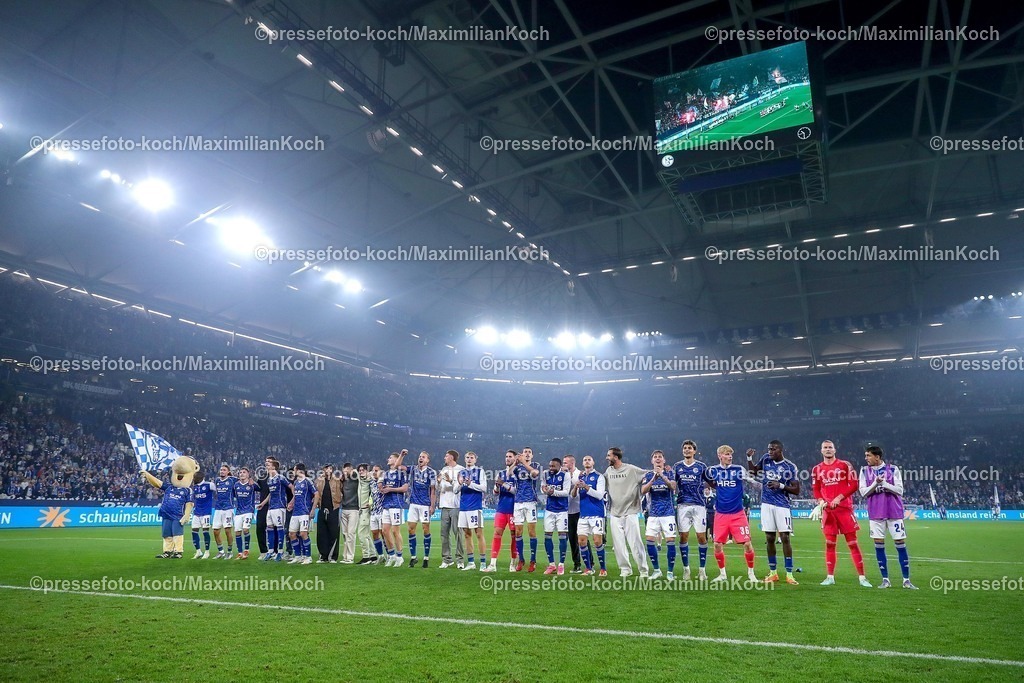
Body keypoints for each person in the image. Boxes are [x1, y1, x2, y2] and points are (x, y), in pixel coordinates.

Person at [812, 440, 871, 587]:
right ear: (821, 451)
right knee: (830, 544)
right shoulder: (816, 469)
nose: (828, 450)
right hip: (828, 512)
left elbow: (854, 484)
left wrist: (839, 498)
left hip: (844, 509)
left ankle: (862, 578)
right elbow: (816, 489)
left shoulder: (845, 465)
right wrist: (820, 502)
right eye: (825, 447)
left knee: (853, 543)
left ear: (835, 450)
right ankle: (830, 577)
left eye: (830, 447)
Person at [859, 446, 916, 589]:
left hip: (894, 512)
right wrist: (875, 483)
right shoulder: (864, 471)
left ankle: (906, 580)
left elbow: (900, 490)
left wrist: (884, 483)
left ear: (877, 457)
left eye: (868, 455)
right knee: (879, 546)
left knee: (900, 544)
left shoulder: (893, 469)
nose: (866, 458)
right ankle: (885, 580)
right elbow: (863, 493)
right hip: (875, 513)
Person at [747, 440, 800, 585]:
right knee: (770, 538)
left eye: (773, 449)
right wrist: (749, 459)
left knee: (785, 538)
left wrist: (781, 485)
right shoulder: (765, 459)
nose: (770, 451)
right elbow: (753, 472)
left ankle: (789, 574)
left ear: (781, 450)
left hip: (782, 505)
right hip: (766, 504)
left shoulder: (789, 467)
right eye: (769, 449)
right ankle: (773, 573)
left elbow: (796, 490)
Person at [704, 445, 757, 583]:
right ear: (720, 455)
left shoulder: (739, 469)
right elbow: (708, 482)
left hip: (738, 514)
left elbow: (752, 481)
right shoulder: (713, 470)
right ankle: (722, 574)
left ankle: (751, 573)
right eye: (727, 454)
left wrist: (762, 485)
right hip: (721, 514)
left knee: (747, 544)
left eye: (731, 454)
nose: (730, 456)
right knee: (716, 545)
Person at [604, 446, 649, 578]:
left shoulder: (631, 469)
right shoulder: (608, 471)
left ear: (615, 457)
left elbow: (647, 474)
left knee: (635, 543)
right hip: (614, 512)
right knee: (618, 544)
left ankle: (643, 570)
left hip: (630, 511)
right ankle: (625, 569)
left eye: (609, 455)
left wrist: (661, 471)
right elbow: (601, 481)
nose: (607, 458)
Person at [673, 440, 708, 581]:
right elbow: (673, 484)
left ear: (694, 451)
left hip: (699, 505)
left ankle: (702, 570)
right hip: (682, 505)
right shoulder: (677, 466)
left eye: (689, 448)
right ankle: (686, 569)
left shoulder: (701, 466)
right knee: (683, 537)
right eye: (685, 448)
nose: (687, 450)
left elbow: (710, 482)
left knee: (701, 537)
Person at [141, 468, 193, 559]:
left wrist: (187, 514)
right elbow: (157, 483)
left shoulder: (187, 490)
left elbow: (190, 503)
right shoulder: (169, 487)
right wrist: (147, 475)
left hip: (177, 515)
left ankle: (178, 551)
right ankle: (167, 551)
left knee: (177, 534)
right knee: (166, 534)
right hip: (166, 513)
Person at [641, 450, 677, 580]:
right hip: (653, 514)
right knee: (650, 541)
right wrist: (653, 479)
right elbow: (643, 490)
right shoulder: (648, 474)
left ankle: (670, 572)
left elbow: (673, 487)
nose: (657, 459)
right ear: (652, 461)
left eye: (660, 457)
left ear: (664, 460)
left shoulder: (669, 472)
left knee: (670, 541)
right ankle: (656, 570)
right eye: (655, 457)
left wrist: (662, 476)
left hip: (668, 514)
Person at [574, 455, 607, 576]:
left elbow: (599, 495)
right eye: (584, 460)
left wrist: (586, 487)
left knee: (597, 542)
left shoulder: (599, 477)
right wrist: (576, 487)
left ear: (593, 462)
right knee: (581, 541)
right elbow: (575, 496)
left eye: (589, 459)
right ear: (582, 463)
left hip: (597, 514)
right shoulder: (581, 477)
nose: (586, 461)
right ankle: (588, 568)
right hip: (583, 515)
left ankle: (603, 569)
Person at [487, 450, 519, 572]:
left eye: (510, 456)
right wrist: (496, 485)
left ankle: (512, 564)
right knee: (497, 534)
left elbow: (517, 491)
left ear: (515, 458)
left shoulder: (518, 474)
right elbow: (495, 493)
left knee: (514, 536)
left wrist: (504, 484)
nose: (507, 458)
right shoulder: (501, 473)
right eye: (506, 456)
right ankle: (493, 564)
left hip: (513, 509)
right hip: (501, 508)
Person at [458, 451, 488, 571]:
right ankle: (471, 563)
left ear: (475, 460)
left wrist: (470, 484)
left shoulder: (480, 471)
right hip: (463, 508)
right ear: (465, 459)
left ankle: (483, 563)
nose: (469, 459)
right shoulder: (461, 472)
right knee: (466, 534)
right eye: (467, 457)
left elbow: (484, 488)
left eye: (471, 458)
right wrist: (459, 484)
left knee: (479, 534)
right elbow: (456, 490)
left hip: (475, 508)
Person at [512, 447, 541, 572]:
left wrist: (524, 462)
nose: (527, 454)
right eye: (525, 452)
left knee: (531, 532)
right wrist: (515, 462)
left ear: (532, 455)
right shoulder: (517, 467)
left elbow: (534, 474)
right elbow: (508, 473)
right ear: (522, 454)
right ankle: (521, 559)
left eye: (529, 452)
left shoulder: (535, 465)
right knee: (518, 532)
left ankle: (533, 560)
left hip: (531, 502)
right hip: (518, 502)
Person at [540, 456, 571, 575]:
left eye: (553, 466)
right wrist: (544, 490)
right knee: (547, 536)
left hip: (562, 510)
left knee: (562, 537)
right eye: (550, 466)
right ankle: (551, 564)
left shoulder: (565, 475)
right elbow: (542, 487)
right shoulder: (545, 474)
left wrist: (553, 492)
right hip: (549, 510)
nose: (551, 468)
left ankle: (561, 564)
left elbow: (566, 492)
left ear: (559, 466)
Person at [407, 451, 437, 568]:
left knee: (425, 529)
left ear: (427, 460)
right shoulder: (413, 469)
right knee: (410, 529)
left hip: (425, 504)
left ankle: (426, 557)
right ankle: (413, 557)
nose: (420, 458)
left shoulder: (431, 472)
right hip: (413, 504)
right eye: (419, 456)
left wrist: (432, 505)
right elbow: (398, 467)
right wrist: (402, 455)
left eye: (423, 457)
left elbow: (433, 490)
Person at [380, 450, 409, 567]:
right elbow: (383, 488)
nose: (388, 459)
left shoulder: (401, 473)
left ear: (396, 460)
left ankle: (400, 556)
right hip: (386, 504)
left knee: (395, 531)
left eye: (390, 458)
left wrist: (390, 489)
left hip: (397, 504)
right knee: (385, 531)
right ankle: (391, 555)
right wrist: (383, 489)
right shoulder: (386, 474)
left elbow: (405, 488)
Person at [437, 450, 466, 569]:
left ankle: (460, 560)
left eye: (446, 455)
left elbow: (458, 487)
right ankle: (446, 559)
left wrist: (450, 481)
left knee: (458, 534)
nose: (444, 457)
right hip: (444, 505)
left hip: (456, 505)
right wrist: (439, 483)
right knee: (444, 534)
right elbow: (441, 488)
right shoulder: (443, 470)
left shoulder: (461, 470)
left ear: (452, 457)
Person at [286, 463, 319, 565]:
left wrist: (313, 509)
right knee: (292, 534)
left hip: (305, 511)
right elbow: (296, 495)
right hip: (295, 512)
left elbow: (317, 494)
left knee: (303, 533)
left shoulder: (308, 481)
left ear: (298, 470)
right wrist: (291, 503)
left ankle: (308, 557)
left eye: (294, 470)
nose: (293, 472)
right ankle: (298, 556)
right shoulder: (296, 482)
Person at [256, 459, 287, 561]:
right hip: (270, 507)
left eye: (268, 465)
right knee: (269, 528)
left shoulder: (280, 478)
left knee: (279, 528)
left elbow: (291, 487)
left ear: (273, 467)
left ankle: (280, 552)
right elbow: (271, 494)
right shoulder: (269, 479)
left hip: (279, 506)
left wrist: (291, 502)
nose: (266, 466)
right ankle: (270, 551)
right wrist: (263, 503)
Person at [315, 464, 341, 563]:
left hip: (334, 508)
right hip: (322, 509)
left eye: (330, 468)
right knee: (321, 534)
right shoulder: (319, 480)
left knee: (333, 533)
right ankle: (323, 556)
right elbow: (316, 493)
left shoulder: (337, 480)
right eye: (326, 468)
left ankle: (332, 557)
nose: (328, 470)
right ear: (323, 470)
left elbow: (341, 491)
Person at [563, 455, 584, 573]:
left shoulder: (580, 474)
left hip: (579, 510)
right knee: (572, 540)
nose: (564, 465)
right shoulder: (562, 475)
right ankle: (577, 564)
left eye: (565, 463)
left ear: (572, 463)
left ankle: (589, 563)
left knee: (582, 538)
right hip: (567, 512)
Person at [212, 464, 237, 559]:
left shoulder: (232, 480)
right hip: (218, 508)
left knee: (227, 530)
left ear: (228, 472)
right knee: (215, 531)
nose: (222, 471)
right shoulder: (217, 480)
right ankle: (221, 551)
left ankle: (229, 552)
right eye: (221, 470)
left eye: (224, 470)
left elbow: (243, 481)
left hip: (228, 508)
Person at [232, 467, 257, 560]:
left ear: (248, 474)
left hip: (248, 510)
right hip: (238, 511)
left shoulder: (252, 484)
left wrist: (252, 481)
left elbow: (261, 489)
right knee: (237, 532)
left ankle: (246, 550)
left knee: (245, 529)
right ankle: (239, 553)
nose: (242, 474)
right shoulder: (236, 485)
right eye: (240, 472)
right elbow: (234, 495)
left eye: (244, 472)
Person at [339, 463, 361, 564]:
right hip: (344, 508)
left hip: (354, 509)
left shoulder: (355, 479)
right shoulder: (343, 481)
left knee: (351, 533)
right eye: (344, 469)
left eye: (348, 469)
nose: (345, 471)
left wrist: (351, 471)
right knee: (345, 534)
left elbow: (357, 472)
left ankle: (350, 557)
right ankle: (345, 556)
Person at [356, 464, 377, 565]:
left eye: (363, 470)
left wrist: (370, 503)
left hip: (366, 511)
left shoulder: (371, 481)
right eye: (359, 470)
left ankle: (366, 557)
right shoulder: (360, 480)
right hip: (361, 510)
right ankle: (373, 556)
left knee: (361, 533)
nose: (360, 472)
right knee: (367, 535)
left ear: (367, 471)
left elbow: (375, 494)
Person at [368, 464, 390, 564]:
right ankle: (381, 556)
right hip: (373, 512)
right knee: (375, 534)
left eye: (376, 470)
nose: (374, 472)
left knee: (384, 533)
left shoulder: (384, 482)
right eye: (373, 470)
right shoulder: (371, 482)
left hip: (382, 511)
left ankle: (390, 554)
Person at [190, 471, 214, 559]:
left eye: (195, 477)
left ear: (200, 478)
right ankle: (198, 551)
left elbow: (218, 492)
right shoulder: (195, 487)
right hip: (197, 512)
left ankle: (207, 552)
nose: (193, 479)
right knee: (194, 531)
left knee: (205, 532)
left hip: (206, 513)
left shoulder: (209, 485)